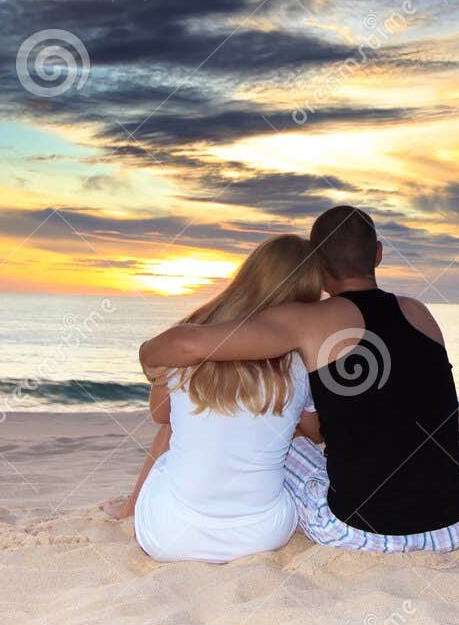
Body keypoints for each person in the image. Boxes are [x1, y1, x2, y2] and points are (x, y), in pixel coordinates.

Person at [139, 206, 459, 553]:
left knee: (285, 448)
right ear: (377, 253)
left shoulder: (309, 321)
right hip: (457, 522)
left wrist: (147, 358)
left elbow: (186, 344)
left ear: (316, 263)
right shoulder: (420, 314)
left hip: (362, 532)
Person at [107, 235, 324, 563]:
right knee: (279, 431)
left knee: (174, 426)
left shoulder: (191, 343)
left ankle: (130, 506)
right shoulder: (298, 360)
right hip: (263, 536)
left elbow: (159, 415)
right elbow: (316, 432)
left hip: (169, 537)